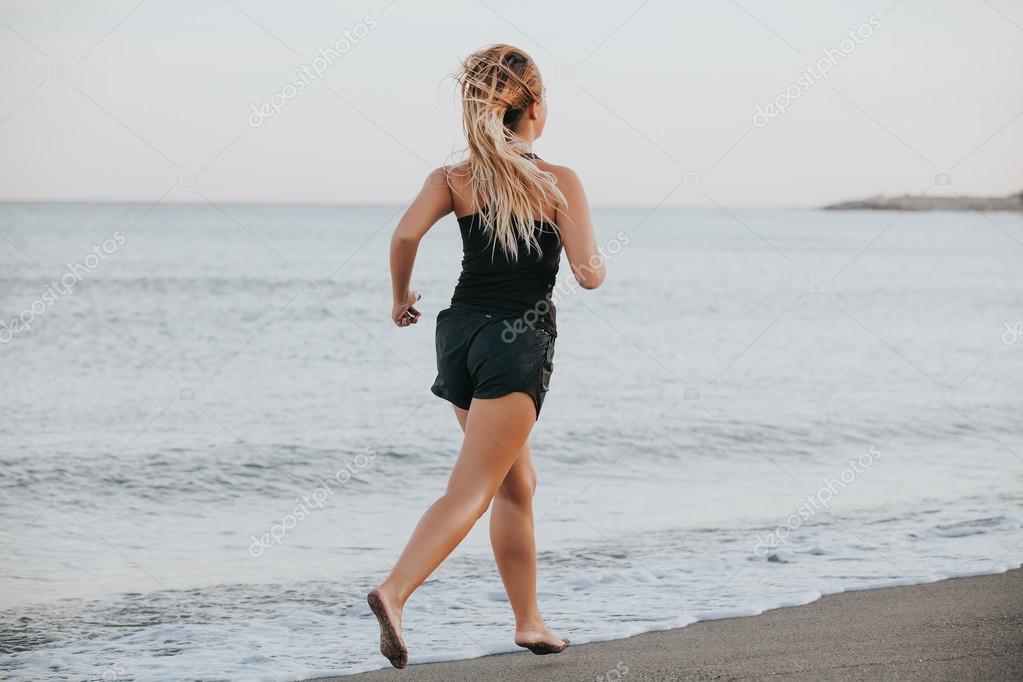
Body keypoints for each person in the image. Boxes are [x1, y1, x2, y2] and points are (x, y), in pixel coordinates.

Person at [368, 43, 605, 669]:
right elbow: (588, 276)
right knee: (474, 488)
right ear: (531, 108)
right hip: (514, 342)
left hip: (459, 336)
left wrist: (400, 300)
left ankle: (529, 622)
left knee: (516, 484)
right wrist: (592, 249)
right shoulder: (557, 180)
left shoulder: (454, 178)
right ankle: (395, 592)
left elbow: (404, 235)